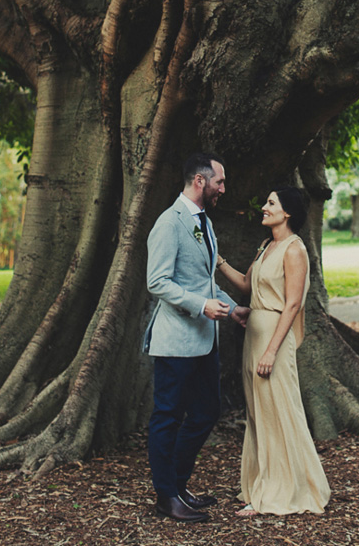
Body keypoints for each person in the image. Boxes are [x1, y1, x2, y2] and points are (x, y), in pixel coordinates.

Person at [143, 152, 250, 523]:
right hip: (175, 341)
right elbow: (157, 282)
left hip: (205, 341)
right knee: (168, 417)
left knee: (206, 413)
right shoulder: (168, 223)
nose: (224, 188)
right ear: (200, 182)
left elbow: (204, 280)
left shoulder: (204, 222)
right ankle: (165, 497)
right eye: (219, 181)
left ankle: (178, 484)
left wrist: (231, 307)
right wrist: (200, 306)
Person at [216, 185, 331, 516]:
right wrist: (218, 260)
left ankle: (282, 490)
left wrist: (271, 351)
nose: (264, 208)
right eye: (266, 202)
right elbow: (244, 285)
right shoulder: (266, 245)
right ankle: (259, 484)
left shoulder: (294, 250)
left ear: (287, 212)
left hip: (274, 340)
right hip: (254, 335)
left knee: (280, 410)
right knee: (258, 413)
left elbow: (293, 304)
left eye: (270, 203)